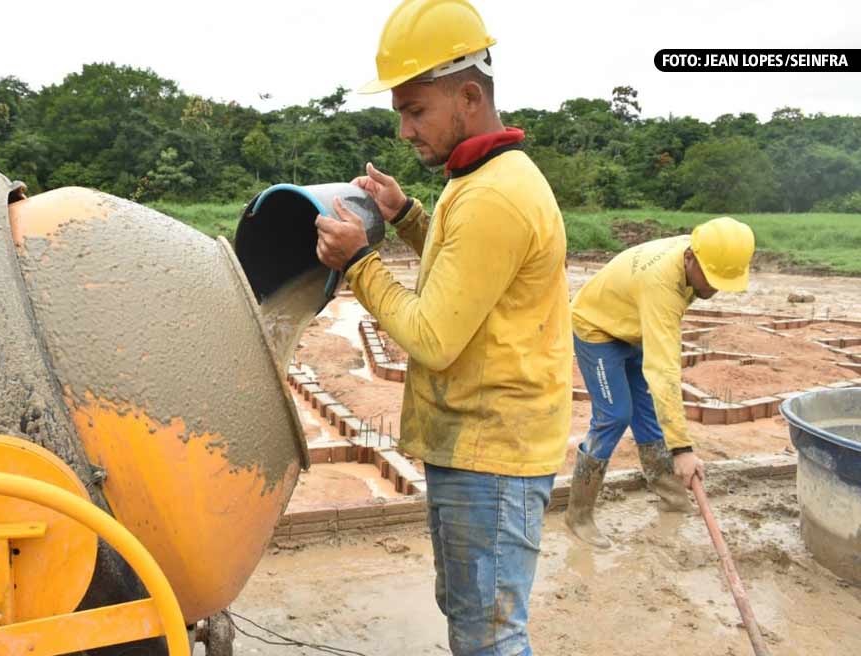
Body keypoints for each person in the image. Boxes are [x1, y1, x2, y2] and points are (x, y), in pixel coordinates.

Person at [314, 2, 571, 653]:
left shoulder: (493, 194)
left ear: (469, 95)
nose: (403, 130)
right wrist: (404, 216)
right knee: (474, 613)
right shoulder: (482, 175)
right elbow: (467, 268)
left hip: (492, 453)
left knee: (488, 635)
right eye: (400, 111)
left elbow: (430, 335)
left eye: (416, 110)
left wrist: (359, 263)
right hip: (483, 445)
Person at [565, 218, 755, 548]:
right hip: (597, 328)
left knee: (648, 415)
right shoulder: (662, 283)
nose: (713, 288)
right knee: (614, 415)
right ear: (690, 259)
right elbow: (664, 371)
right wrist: (682, 450)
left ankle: (672, 497)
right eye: (710, 279)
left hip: (633, 325)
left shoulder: (701, 253)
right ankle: (578, 515)